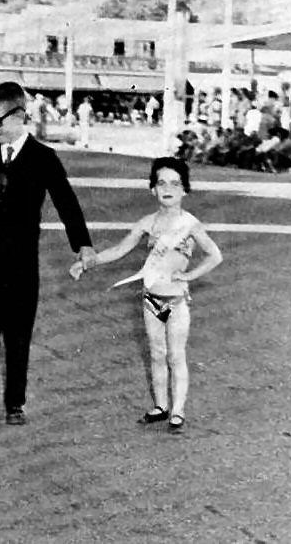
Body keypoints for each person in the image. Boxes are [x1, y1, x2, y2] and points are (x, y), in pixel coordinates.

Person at [0, 81, 96, 425]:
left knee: (19, 332)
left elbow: (66, 201)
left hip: (22, 261)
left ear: (20, 116)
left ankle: (16, 403)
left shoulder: (43, 157)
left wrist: (82, 243)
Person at [69, 157, 222, 433]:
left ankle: (178, 410)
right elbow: (119, 250)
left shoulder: (190, 224)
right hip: (152, 299)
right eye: (161, 182)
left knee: (176, 355)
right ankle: (161, 406)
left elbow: (215, 255)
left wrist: (188, 276)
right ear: (152, 189)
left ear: (184, 190)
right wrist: (87, 263)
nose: (168, 188)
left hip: (175, 301)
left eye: (175, 184)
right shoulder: (147, 223)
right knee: (156, 354)